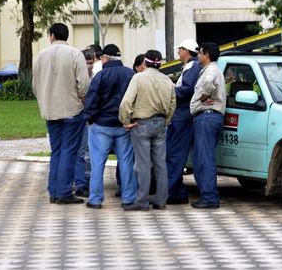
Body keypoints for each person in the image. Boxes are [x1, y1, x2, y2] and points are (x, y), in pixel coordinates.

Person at [32, 23, 90, 205]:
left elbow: (35, 85)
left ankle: (54, 191)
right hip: (72, 109)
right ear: (67, 36)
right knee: (69, 150)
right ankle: (63, 192)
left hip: (50, 110)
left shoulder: (40, 55)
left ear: (51, 36)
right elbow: (83, 85)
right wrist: (82, 100)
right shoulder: (75, 54)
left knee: (56, 150)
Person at [119, 50, 176, 211]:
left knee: (143, 164)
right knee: (160, 164)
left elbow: (126, 102)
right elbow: (172, 104)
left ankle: (142, 201)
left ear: (145, 62)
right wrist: (167, 120)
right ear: (160, 63)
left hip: (141, 123)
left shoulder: (138, 77)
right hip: (160, 123)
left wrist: (126, 120)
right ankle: (161, 200)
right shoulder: (167, 80)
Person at [83, 44, 137, 209]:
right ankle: (128, 199)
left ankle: (96, 199)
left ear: (106, 58)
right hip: (124, 126)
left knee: (98, 164)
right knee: (126, 162)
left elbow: (92, 101)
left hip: (101, 126)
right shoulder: (131, 74)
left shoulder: (100, 76)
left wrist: (89, 119)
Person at [189, 42, 226, 209]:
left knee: (204, 159)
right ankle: (207, 195)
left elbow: (209, 83)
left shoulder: (211, 70)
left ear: (206, 55)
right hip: (207, 118)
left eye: (200, 53)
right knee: (201, 158)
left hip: (207, 117)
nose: (197, 56)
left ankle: (210, 197)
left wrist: (204, 97)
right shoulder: (211, 69)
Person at [165, 39, 201, 204]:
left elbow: (186, 90)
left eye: (179, 49)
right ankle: (176, 190)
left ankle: (172, 191)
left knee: (175, 155)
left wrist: (170, 91)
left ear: (186, 50)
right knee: (175, 155)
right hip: (181, 115)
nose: (178, 52)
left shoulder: (192, 67)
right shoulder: (190, 67)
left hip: (182, 116)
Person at [74, 49, 94, 198]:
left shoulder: (96, 77)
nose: (88, 66)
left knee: (87, 152)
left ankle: (86, 181)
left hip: (91, 118)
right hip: (79, 116)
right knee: (81, 151)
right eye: (86, 63)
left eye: (90, 63)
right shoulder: (76, 77)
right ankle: (81, 182)